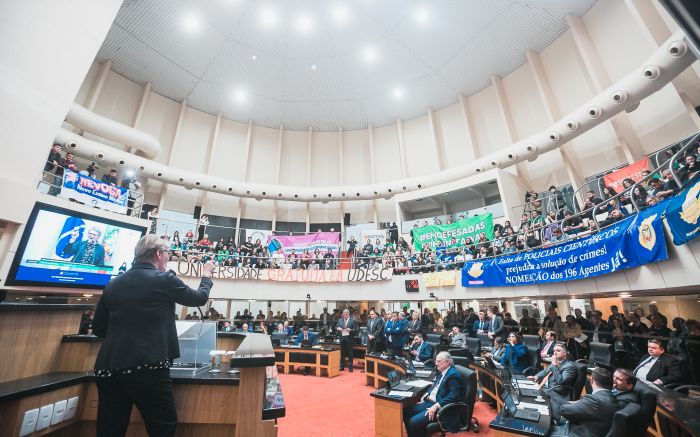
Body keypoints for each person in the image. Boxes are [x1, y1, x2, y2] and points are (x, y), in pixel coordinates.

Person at [92, 235, 215, 437]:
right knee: (162, 427)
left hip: (108, 367)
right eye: (167, 254)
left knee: (110, 429)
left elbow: (99, 328)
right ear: (158, 254)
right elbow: (199, 299)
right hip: (147, 366)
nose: (168, 258)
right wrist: (207, 275)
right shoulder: (163, 279)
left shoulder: (113, 283)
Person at [402, 352, 466, 437]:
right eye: (436, 361)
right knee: (405, 412)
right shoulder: (443, 370)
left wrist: (436, 406)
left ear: (447, 362)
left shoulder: (453, 375)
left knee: (414, 422)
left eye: (439, 362)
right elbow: (435, 385)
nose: (436, 364)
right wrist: (426, 395)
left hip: (442, 408)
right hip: (430, 402)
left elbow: (453, 396)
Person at [553, 368, 619, 437]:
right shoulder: (612, 397)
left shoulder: (595, 400)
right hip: (588, 428)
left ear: (591, 380)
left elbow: (565, 410)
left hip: (575, 433)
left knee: (543, 429)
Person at [528, 342, 577, 420]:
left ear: (565, 353)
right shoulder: (556, 363)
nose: (555, 352)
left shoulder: (570, 366)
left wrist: (554, 364)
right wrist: (536, 377)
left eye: (558, 350)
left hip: (557, 394)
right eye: (554, 350)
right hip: (545, 389)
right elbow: (545, 371)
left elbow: (562, 381)